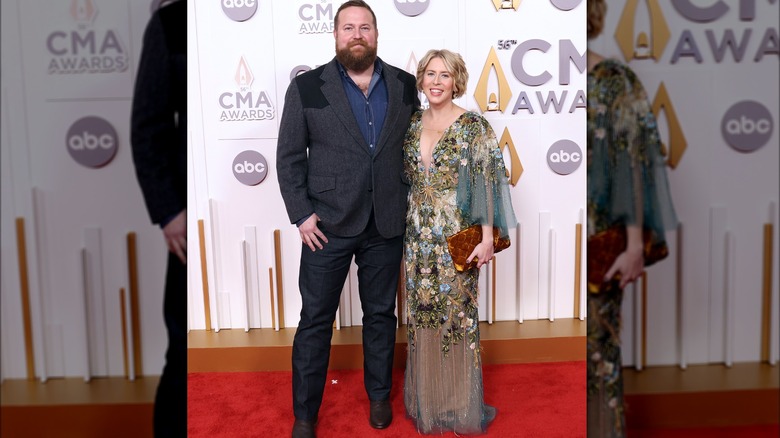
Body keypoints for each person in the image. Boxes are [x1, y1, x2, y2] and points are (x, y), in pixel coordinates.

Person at [275, 1, 420, 437]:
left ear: (376, 34)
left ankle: (378, 397)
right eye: (348, 27)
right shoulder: (308, 87)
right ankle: (305, 414)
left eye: (365, 27)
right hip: (327, 226)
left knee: (381, 315)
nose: (357, 34)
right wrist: (302, 214)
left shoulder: (404, 84)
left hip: (386, 222)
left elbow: (417, 147)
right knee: (315, 320)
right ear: (335, 34)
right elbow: (288, 158)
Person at [402, 49, 517, 435]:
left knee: (457, 320)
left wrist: (487, 238)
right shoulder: (412, 122)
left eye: (445, 75)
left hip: (458, 240)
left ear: (457, 82)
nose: (436, 81)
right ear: (421, 79)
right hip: (417, 239)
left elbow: (488, 184)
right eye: (430, 74)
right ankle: (430, 402)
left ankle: (457, 403)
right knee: (424, 318)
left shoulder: (473, 127)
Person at [586, 1, 678, 436]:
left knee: (598, 352)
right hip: (556, 245)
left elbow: (635, 163)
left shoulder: (613, 82)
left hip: (600, 244)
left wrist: (636, 244)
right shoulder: (545, 84)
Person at [130, 1, 187, 436]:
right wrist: (169, 210)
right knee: (184, 349)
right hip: (190, 222)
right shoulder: (170, 23)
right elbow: (148, 125)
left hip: (256, 209)